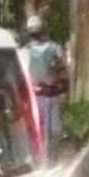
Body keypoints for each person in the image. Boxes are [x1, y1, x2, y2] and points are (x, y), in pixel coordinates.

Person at [23, 15, 68, 158]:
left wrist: (63, 90)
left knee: (55, 131)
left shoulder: (55, 49)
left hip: (53, 96)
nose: (35, 32)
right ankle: (41, 159)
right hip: (35, 98)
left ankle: (53, 158)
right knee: (38, 131)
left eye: (37, 28)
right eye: (32, 29)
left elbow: (63, 71)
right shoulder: (25, 51)